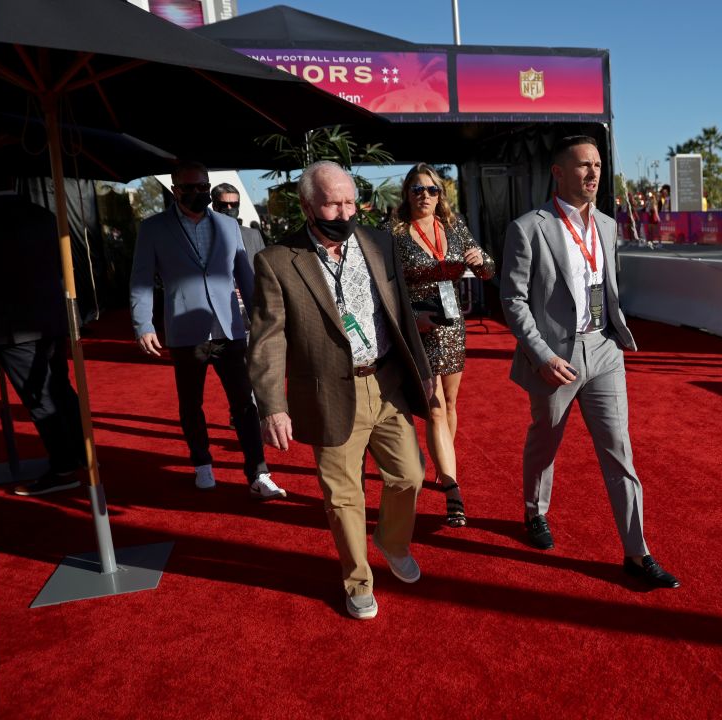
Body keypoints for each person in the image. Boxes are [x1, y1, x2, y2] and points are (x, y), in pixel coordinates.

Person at [248, 161, 435, 620]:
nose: (345, 211)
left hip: (387, 382)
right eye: (333, 202)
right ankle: (357, 580)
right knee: (343, 495)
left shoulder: (378, 241)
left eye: (351, 201)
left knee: (409, 475)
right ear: (308, 205)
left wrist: (422, 369)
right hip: (330, 392)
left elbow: (402, 312)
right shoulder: (277, 261)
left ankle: (390, 542)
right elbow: (268, 339)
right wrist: (272, 405)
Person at [501, 135, 681, 589]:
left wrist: (616, 336)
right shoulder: (528, 227)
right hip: (554, 356)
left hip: (603, 349)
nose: (593, 173)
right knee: (546, 440)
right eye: (583, 165)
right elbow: (513, 299)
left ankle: (636, 553)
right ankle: (534, 511)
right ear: (558, 172)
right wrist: (540, 354)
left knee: (620, 452)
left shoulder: (607, 223)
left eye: (597, 164)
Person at [129, 160, 286, 500]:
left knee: (246, 404)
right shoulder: (153, 228)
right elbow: (140, 280)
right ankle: (202, 464)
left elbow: (245, 275)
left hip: (229, 328)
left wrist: (264, 319)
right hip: (186, 330)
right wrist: (143, 324)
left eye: (203, 186)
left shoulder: (228, 227)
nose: (198, 193)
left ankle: (258, 472)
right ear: (175, 191)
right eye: (190, 188)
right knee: (191, 403)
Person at [383, 163, 495, 528]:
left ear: (440, 195)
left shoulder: (454, 226)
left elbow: (488, 269)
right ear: (407, 193)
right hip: (419, 325)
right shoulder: (394, 231)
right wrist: (409, 318)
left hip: (452, 323)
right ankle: (452, 489)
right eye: (417, 189)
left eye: (432, 190)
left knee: (450, 406)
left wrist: (481, 261)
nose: (425, 196)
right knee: (434, 407)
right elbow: (383, 286)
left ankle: (443, 462)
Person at [0, 175, 87, 496]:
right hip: (50, 319)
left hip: (10, 326)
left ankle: (63, 468)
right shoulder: (44, 216)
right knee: (59, 388)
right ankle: (82, 455)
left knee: (40, 398)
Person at [212, 182, 266, 266]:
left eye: (234, 204)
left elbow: (264, 266)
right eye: (223, 204)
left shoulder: (253, 235)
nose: (229, 208)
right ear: (214, 206)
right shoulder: (206, 235)